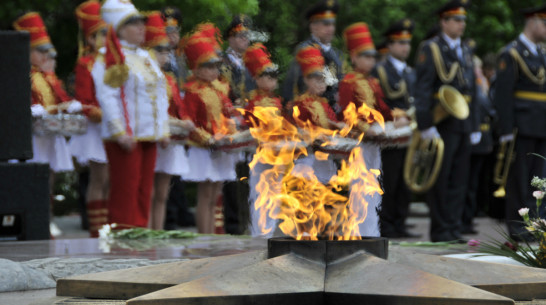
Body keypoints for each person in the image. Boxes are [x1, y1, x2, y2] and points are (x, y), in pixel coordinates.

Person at [92, 0, 170, 229]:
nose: (141, 28)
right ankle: (123, 240)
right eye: (133, 23)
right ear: (119, 28)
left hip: (149, 134)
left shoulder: (147, 57)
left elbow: (161, 95)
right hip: (126, 136)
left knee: (145, 190)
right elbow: (108, 96)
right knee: (126, 189)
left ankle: (140, 236)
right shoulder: (109, 56)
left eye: (141, 23)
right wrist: (118, 131)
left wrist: (163, 130)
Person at [414, 0, 479, 242]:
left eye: (463, 20)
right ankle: (441, 230)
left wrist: (475, 124)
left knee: (460, 179)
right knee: (441, 178)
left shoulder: (466, 49)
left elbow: (473, 90)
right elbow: (421, 89)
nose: (462, 24)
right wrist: (426, 124)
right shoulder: (431, 48)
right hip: (442, 122)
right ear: (444, 22)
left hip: (463, 121)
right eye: (457, 19)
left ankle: (453, 227)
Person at [14, 12, 80, 237]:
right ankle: (29, 222)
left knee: (49, 180)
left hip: (49, 134)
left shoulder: (48, 77)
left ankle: (46, 219)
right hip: (29, 136)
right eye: (40, 51)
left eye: (47, 52)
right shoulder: (20, 74)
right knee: (30, 179)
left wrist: (69, 106)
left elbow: (60, 99)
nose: (45, 56)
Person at [492, 4, 546, 241]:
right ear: (533, 21)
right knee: (519, 179)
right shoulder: (511, 53)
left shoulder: (541, 54)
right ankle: (519, 228)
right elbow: (503, 95)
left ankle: (538, 225)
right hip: (520, 126)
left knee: (540, 179)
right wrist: (506, 130)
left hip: (541, 124)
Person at [181, 25, 238, 234]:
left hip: (220, 145)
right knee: (204, 195)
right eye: (209, 66)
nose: (215, 70)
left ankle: (214, 236)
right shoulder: (192, 92)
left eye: (216, 65)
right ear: (196, 68)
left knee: (215, 193)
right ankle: (204, 237)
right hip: (203, 147)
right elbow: (188, 121)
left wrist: (234, 128)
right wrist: (207, 139)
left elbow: (228, 112)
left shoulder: (217, 90)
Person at [339, 22, 393, 237]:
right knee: (357, 188)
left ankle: (371, 231)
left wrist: (399, 118)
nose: (371, 60)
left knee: (373, 187)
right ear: (354, 57)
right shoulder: (348, 82)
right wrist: (365, 129)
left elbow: (384, 110)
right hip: (357, 144)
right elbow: (345, 114)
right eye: (366, 56)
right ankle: (357, 232)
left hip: (373, 143)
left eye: (373, 56)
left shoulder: (373, 83)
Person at [144, 11, 193, 230]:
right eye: (159, 50)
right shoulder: (143, 77)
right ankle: (146, 231)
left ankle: (158, 230)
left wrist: (186, 121)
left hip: (170, 135)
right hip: (151, 135)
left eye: (166, 51)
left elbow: (180, 108)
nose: (164, 55)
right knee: (149, 190)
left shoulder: (170, 79)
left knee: (163, 190)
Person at [371, 19, 420, 238]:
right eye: (400, 43)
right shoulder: (380, 70)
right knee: (389, 180)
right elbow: (375, 103)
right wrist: (393, 117)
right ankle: (387, 223)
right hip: (391, 134)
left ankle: (400, 222)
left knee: (405, 180)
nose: (405, 47)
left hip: (410, 134)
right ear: (389, 45)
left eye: (407, 43)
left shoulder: (411, 72)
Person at [69, 0, 109, 237]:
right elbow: (85, 101)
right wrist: (106, 115)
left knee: (113, 179)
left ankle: (109, 229)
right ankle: (96, 231)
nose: (106, 38)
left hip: (114, 127)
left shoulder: (114, 62)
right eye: (101, 34)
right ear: (91, 39)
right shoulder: (85, 64)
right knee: (99, 178)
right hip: (96, 128)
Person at [220, 14, 257, 235]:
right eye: (239, 36)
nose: (244, 40)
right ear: (230, 39)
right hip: (231, 122)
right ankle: (233, 223)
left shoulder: (252, 63)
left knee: (249, 174)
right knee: (232, 175)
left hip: (250, 122)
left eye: (246, 35)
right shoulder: (222, 63)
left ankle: (249, 221)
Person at [242, 43, 283, 237]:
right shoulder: (252, 102)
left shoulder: (277, 101)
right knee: (259, 192)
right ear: (257, 78)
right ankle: (258, 233)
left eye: (274, 76)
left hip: (278, 153)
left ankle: (271, 230)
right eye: (267, 76)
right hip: (260, 153)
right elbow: (250, 127)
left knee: (275, 193)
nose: (272, 80)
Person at [282, 0, 344, 113]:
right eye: (326, 24)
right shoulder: (304, 50)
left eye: (332, 24)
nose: (330, 29)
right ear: (313, 26)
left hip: (335, 115)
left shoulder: (337, 54)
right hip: (310, 114)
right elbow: (292, 87)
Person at [463, 51, 495, 235]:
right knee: (468, 183)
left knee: (474, 183)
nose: (477, 71)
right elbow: (484, 106)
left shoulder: (480, 83)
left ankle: (469, 218)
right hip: (474, 138)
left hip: (483, 137)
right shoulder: (475, 84)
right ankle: (465, 219)